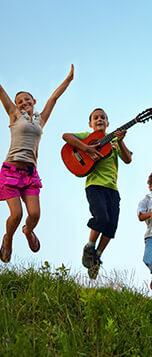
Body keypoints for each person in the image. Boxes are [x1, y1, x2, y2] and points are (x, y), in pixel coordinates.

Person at [0, 65, 74, 263]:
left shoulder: (40, 121)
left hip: (30, 174)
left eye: (27, 99)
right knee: (16, 214)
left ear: (33, 101)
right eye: (20, 101)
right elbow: (0, 90)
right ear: (16, 106)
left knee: (34, 214)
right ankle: (8, 239)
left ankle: (28, 231)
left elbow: (53, 99)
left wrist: (68, 80)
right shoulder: (15, 116)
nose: (24, 103)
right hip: (11, 171)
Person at [62, 108, 132, 279]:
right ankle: (89, 246)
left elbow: (128, 159)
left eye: (103, 118)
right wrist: (86, 148)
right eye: (96, 118)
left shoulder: (114, 141)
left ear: (107, 123)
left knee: (111, 226)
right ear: (90, 124)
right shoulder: (86, 134)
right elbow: (66, 136)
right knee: (101, 218)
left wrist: (120, 141)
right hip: (94, 185)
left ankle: (97, 258)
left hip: (113, 189)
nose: (99, 119)